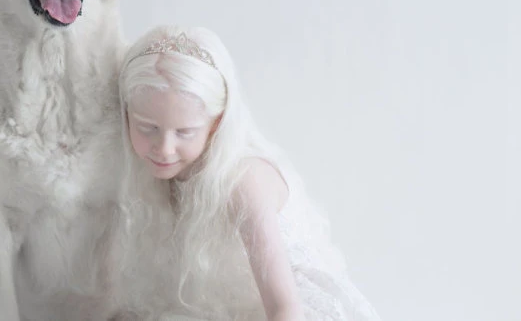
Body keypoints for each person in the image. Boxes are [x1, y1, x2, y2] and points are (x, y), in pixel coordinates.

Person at [117, 25, 381, 321]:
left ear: (215, 124)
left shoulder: (243, 182)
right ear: (126, 114)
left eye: (184, 132)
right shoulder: (156, 177)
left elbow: (285, 308)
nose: (164, 149)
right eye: (147, 127)